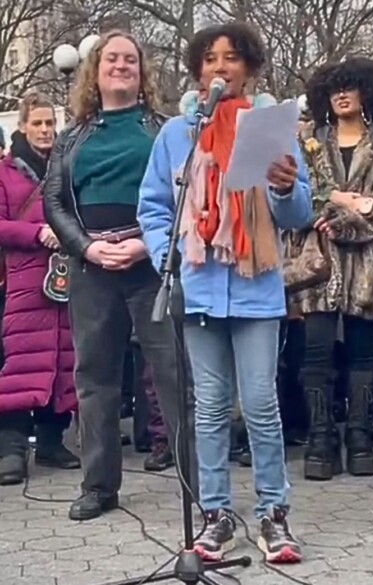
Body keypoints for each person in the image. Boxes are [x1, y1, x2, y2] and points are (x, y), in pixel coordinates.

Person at [138, 22, 312, 563]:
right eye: (210, 58)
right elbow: (153, 206)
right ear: (197, 70)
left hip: (257, 287)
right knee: (209, 408)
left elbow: (300, 211)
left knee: (260, 404)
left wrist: (285, 189)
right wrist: (169, 251)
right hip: (199, 288)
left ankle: (273, 514)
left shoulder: (272, 126)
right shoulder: (175, 134)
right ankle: (216, 516)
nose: (220, 67)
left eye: (232, 58)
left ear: (250, 67)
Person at [43, 30, 185, 522]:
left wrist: (149, 244)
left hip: (152, 265)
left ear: (142, 71)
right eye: (111, 59)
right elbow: (54, 201)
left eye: (130, 59)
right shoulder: (72, 137)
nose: (121, 66)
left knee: (173, 374)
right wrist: (87, 247)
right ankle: (99, 486)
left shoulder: (165, 131)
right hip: (92, 266)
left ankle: (199, 490)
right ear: (94, 71)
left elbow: (185, 194)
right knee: (96, 380)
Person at [285, 58, 373, 480]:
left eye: (351, 87)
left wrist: (342, 214)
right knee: (316, 351)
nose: (342, 95)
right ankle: (321, 438)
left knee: (363, 351)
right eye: (335, 88)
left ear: (366, 93)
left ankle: (359, 436)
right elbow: (300, 197)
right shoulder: (305, 142)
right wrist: (345, 202)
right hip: (317, 263)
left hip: (368, 264)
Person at [0, 93, 79, 486]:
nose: (46, 130)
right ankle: (12, 448)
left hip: (65, 277)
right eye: (38, 124)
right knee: (21, 362)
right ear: (23, 126)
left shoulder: (66, 167)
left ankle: (52, 440)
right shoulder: (5, 172)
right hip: (25, 281)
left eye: (50, 123)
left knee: (65, 357)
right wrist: (37, 233)